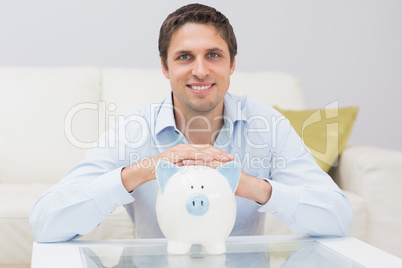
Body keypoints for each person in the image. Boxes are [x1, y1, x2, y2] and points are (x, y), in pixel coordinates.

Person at [30, 3, 353, 242]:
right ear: (165, 67)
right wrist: (142, 171)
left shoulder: (266, 126)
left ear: (232, 64)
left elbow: (337, 218)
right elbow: (45, 222)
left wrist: (249, 186)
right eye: (185, 57)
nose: (200, 70)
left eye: (213, 55)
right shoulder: (133, 132)